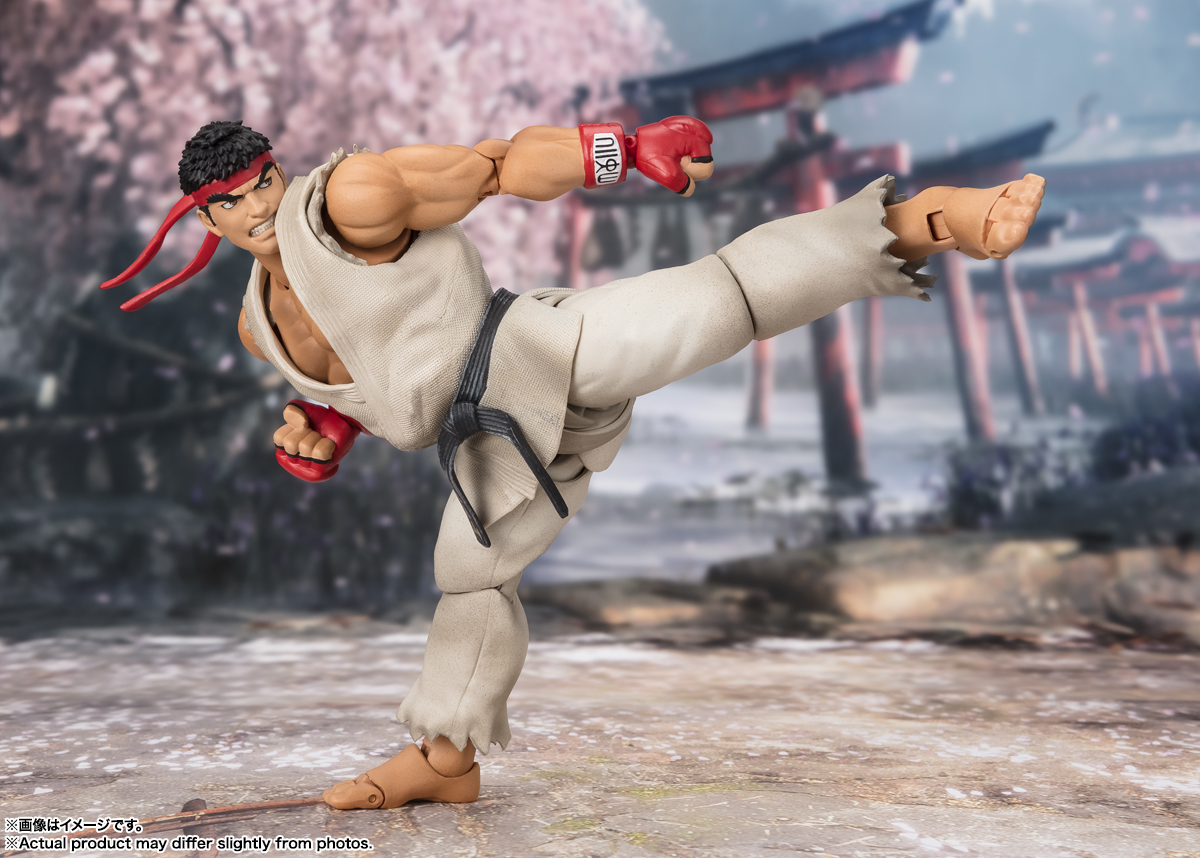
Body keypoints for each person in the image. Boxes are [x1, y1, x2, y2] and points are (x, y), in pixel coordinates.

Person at [102, 118, 1045, 810]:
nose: (257, 209)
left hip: (538, 348)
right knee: (469, 575)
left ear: (278, 170)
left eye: (261, 183)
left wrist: (622, 150)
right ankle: (447, 759)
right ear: (204, 220)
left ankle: (922, 221)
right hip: (487, 437)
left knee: (715, 301)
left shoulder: (349, 200)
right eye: (229, 203)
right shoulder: (255, 324)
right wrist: (322, 430)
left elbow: (496, 166)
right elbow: (365, 384)